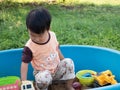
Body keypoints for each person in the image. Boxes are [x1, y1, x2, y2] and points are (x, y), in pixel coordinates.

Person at [21, 7, 75, 90]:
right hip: (42, 74)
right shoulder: (30, 47)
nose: (36, 39)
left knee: (69, 62)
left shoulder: (52, 35)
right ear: (28, 30)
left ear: (48, 29)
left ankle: (68, 85)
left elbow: (57, 49)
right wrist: (24, 81)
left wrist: (64, 63)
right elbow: (24, 64)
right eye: (32, 35)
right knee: (44, 77)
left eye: (40, 36)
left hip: (56, 70)